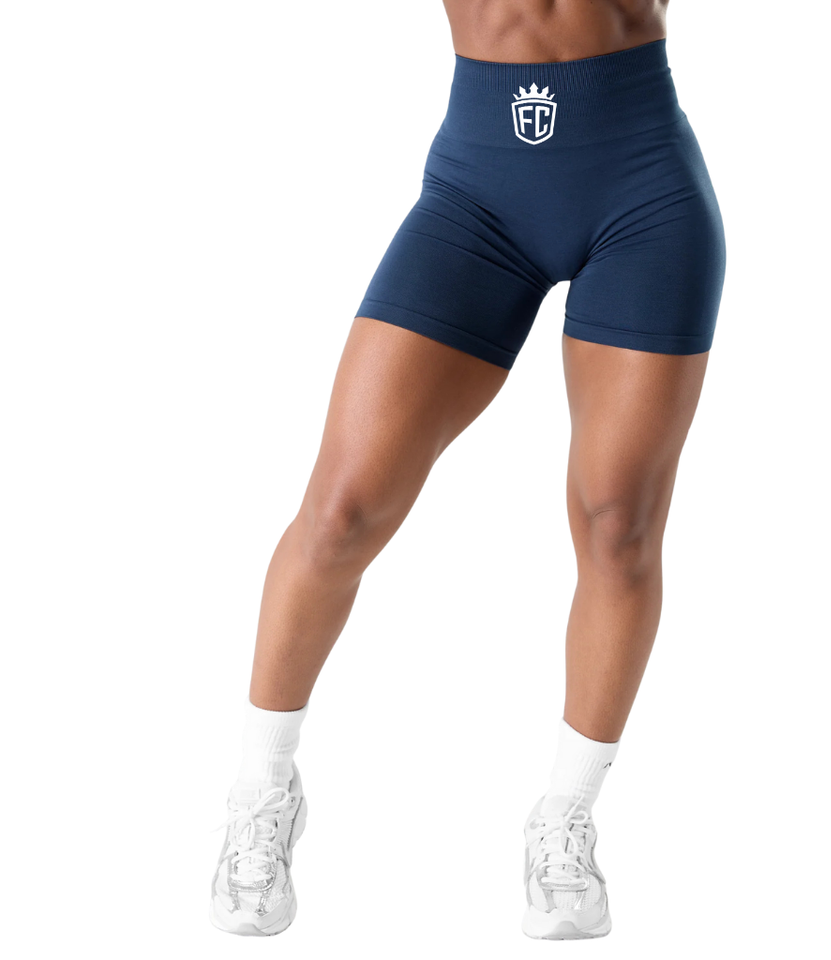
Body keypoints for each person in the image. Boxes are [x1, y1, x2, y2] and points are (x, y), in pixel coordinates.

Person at [209, 0, 725, 941]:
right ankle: (262, 789)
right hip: (482, 192)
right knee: (342, 509)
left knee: (619, 522)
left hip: (641, 183)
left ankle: (565, 819)